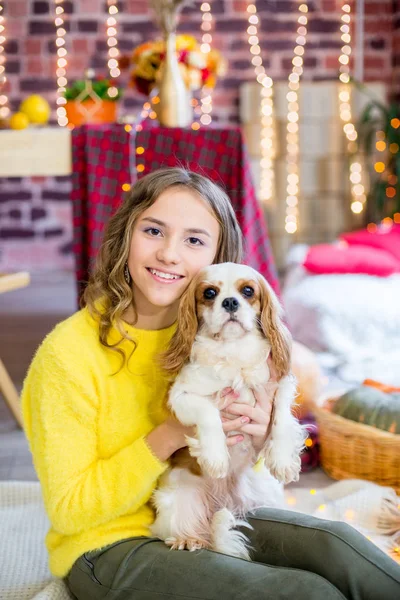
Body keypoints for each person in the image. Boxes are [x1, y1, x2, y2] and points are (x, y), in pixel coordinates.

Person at [22, 168, 400, 600]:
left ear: (219, 259)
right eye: (153, 230)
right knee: (303, 592)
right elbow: (70, 511)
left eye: (194, 240)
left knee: (342, 548)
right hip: (110, 546)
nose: (169, 253)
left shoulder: (227, 334)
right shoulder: (67, 355)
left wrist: (256, 440)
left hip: (222, 505)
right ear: (125, 236)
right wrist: (169, 435)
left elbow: (238, 464)